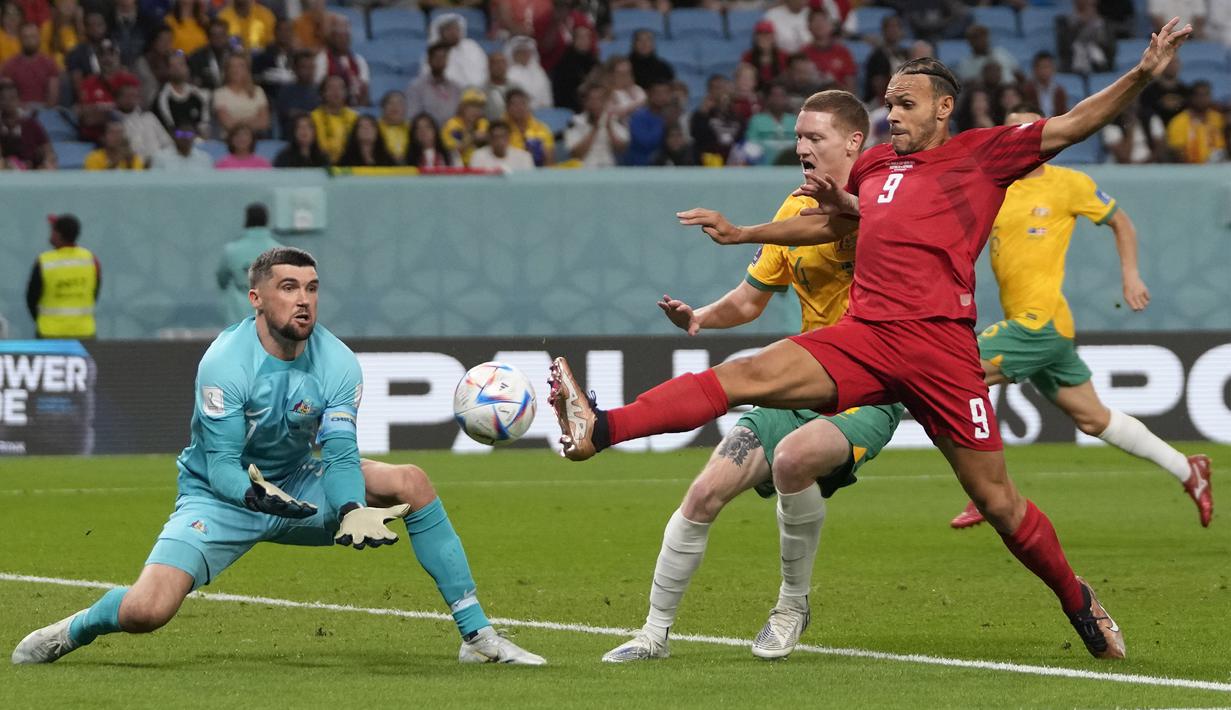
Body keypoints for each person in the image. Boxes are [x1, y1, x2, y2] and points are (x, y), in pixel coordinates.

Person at [547, 21, 1198, 661]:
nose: (892, 115)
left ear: (944, 108)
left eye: (906, 104)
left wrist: (1142, 74)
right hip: (865, 337)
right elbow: (832, 226)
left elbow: (1074, 123)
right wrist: (745, 233)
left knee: (997, 503)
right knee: (745, 376)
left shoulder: (983, 154)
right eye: (887, 103)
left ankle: (1077, 599)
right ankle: (602, 428)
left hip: (941, 352)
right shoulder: (877, 165)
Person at [11, 246, 546, 667]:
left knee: (411, 481)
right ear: (257, 298)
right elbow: (220, 462)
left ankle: (478, 637)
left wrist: (350, 509)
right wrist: (251, 495)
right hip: (220, 497)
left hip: (299, 485)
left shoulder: (338, 363)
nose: (304, 300)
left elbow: (340, 454)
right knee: (147, 611)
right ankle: (75, 628)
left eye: (312, 288)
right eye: (288, 288)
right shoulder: (225, 363)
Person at [604, 89, 903, 663]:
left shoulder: (885, 195)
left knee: (793, 459)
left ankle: (791, 607)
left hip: (869, 387)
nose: (802, 147)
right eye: (798, 137)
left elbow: (845, 224)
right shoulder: (791, 209)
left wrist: (746, 230)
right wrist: (699, 317)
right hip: (803, 381)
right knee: (704, 492)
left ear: (853, 141)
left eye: (815, 137)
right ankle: (652, 634)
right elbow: (750, 299)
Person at [950, 104, 1212, 530]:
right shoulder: (995, 188)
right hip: (1044, 327)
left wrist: (1130, 275)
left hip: (1039, 322)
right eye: (1012, 134)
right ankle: (1188, 469)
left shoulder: (1068, 184)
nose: (1020, 141)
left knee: (956, 377)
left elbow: (1121, 223)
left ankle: (989, 491)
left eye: (1028, 132)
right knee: (1093, 418)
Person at [25, 213, 100, 339]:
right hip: (84, 332)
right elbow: (95, 293)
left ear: (58, 234)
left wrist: (43, 320)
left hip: (49, 333)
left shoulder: (44, 261)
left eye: (52, 230)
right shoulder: (91, 260)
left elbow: (31, 298)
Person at [216, 203, 280, 325]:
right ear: (266, 220)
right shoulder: (279, 251)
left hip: (239, 314)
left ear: (246, 220)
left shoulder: (231, 251)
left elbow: (222, 280)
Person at [563, 82, 627, 168]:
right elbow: (575, 154)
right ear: (585, 102)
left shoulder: (613, 120)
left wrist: (609, 128)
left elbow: (621, 149)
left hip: (609, 168)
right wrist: (595, 128)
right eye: (592, 100)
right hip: (584, 169)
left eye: (600, 100)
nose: (596, 104)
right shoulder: (574, 122)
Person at [313, 13, 368, 107]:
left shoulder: (359, 61)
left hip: (355, 109)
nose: (343, 40)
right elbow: (317, 91)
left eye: (346, 36)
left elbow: (365, 92)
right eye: (339, 36)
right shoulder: (322, 59)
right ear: (331, 38)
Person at [1165, 79, 1225, 163]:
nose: (1203, 99)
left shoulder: (1219, 119)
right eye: (1199, 95)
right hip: (1190, 168)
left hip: (1221, 166)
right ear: (1191, 97)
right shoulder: (1178, 122)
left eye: (1206, 95)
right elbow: (1177, 152)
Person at [1, 21, 59, 107]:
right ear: (20, 39)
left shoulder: (49, 63)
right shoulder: (10, 65)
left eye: (33, 36)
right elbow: (7, 99)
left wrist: (40, 109)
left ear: (39, 38)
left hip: (44, 110)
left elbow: (52, 98)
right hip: (18, 110)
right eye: (26, 37)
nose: (29, 40)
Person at [213, 53, 270, 138]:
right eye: (232, 66)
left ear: (247, 70)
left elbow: (264, 122)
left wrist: (239, 122)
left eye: (240, 66)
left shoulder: (258, 91)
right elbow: (227, 123)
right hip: (230, 140)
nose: (236, 70)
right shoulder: (220, 93)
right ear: (227, 70)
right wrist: (252, 121)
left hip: (256, 138)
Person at [155, 50, 210, 137]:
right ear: (167, 70)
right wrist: (190, 135)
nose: (178, 69)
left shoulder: (198, 95)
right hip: (174, 141)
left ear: (188, 68)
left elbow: (204, 126)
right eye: (173, 66)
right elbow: (170, 131)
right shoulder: (162, 99)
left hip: (199, 141)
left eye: (181, 64)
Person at [0, 77, 52, 168]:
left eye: (12, 98)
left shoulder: (31, 123)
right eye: (3, 99)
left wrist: (46, 163)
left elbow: (48, 150)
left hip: (30, 171)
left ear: (18, 100)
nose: (7, 102)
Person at [406, 42, 461, 128]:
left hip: (452, 133)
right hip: (426, 133)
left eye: (443, 57)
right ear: (428, 60)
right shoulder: (416, 86)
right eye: (436, 57)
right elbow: (412, 117)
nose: (440, 61)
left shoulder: (455, 88)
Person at [115, 82, 171, 163]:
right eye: (126, 96)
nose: (130, 99)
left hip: (158, 163)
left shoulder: (149, 117)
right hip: (133, 166)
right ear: (118, 99)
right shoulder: (115, 123)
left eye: (133, 96)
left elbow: (167, 143)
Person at [801, 10, 856, 94]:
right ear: (808, 27)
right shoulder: (803, 53)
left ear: (831, 26)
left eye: (823, 20)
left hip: (838, 97)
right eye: (815, 21)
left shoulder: (843, 52)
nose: (819, 24)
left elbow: (850, 84)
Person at [550, 22, 598, 113]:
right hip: (570, 106)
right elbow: (566, 91)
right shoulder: (565, 62)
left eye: (588, 37)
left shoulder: (592, 59)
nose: (585, 40)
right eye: (582, 37)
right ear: (574, 40)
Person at [744, 83, 796, 165]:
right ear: (767, 98)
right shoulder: (756, 120)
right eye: (775, 95)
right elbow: (751, 146)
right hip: (763, 168)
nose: (778, 99)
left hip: (790, 167)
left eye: (782, 96)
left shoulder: (795, 120)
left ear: (787, 99)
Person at [274, 50, 320, 139]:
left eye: (311, 67)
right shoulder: (286, 91)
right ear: (295, 69)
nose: (309, 71)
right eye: (304, 67)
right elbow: (288, 114)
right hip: (291, 139)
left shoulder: (320, 91)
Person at [624, 78, 671, 166]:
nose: (662, 97)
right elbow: (645, 142)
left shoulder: (674, 116)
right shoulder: (638, 117)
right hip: (640, 166)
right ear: (649, 94)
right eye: (658, 93)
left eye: (665, 93)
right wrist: (663, 123)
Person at [311, 74, 357, 163]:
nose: (336, 92)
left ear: (346, 92)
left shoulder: (354, 117)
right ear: (323, 93)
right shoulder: (313, 118)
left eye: (340, 88)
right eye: (331, 88)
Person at [504, 87, 553, 166]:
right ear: (507, 107)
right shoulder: (500, 128)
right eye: (514, 104)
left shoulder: (541, 128)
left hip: (537, 169)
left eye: (523, 103)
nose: (519, 107)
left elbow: (550, 159)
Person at [440, 87, 488, 166]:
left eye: (479, 107)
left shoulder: (483, 123)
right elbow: (456, 151)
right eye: (472, 106)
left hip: (481, 166)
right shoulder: (452, 125)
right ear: (462, 107)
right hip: (458, 167)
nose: (476, 111)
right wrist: (473, 137)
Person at [505, 35, 552, 110]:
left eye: (527, 52)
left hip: (542, 111)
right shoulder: (509, 72)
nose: (524, 55)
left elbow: (547, 95)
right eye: (521, 52)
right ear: (513, 54)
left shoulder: (539, 72)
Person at [468, 118, 534, 171]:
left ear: (509, 138)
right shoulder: (478, 156)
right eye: (496, 137)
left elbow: (529, 181)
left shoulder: (524, 157)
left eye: (503, 136)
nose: (500, 141)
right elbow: (475, 181)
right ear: (489, 138)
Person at [743, 20, 789, 93]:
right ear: (755, 37)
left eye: (767, 34)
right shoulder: (747, 57)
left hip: (780, 93)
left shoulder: (783, 56)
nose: (764, 38)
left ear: (773, 37)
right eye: (760, 35)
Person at [1021, 52, 1068, 119]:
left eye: (1047, 67)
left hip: (1055, 123)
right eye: (1041, 67)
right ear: (1035, 69)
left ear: (1053, 69)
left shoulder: (1060, 91)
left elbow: (1063, 114)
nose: (1044, 71)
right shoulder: (1027, 90)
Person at [377, 90, 411, 163]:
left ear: (405, 109)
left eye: (400, 103)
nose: (395, 106)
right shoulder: (374, 128)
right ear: (383, 108)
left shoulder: (412, 128)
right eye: (390, 103)